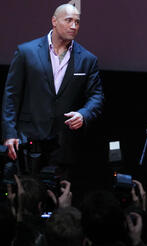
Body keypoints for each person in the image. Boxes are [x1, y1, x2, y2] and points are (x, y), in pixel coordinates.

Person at [1, 4, 104, 180]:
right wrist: (9, 134)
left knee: (56, 198)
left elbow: (97, 96)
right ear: (54, 21)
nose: (74, 26)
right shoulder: (27, 52)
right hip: (28, 138)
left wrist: (84, 114)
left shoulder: (87, 59)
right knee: (26, 195)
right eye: (69, 20)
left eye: (77, 22)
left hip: (63, 142)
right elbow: (11, 95)